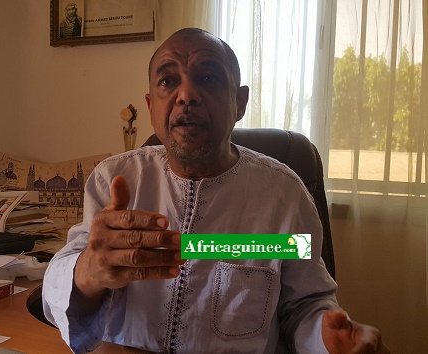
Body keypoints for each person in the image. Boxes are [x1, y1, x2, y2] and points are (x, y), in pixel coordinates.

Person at [42, 28, 389, 354]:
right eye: (168, 81)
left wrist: (326, 337)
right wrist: (87, 272)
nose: (187, 95)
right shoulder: (113, 179)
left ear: (240, 102)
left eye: (208, 78)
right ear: (150, 106)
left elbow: (304, 306)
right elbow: (58, 291)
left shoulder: (286, 196)